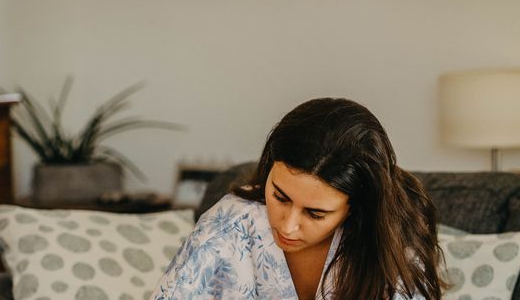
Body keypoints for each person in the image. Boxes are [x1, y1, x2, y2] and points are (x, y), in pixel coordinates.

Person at [151, 98, 445, 300]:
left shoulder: (393, 244)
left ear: (356, 208)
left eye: (315, 213)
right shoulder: (228, 224)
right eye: (280, 196)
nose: (288, 226)